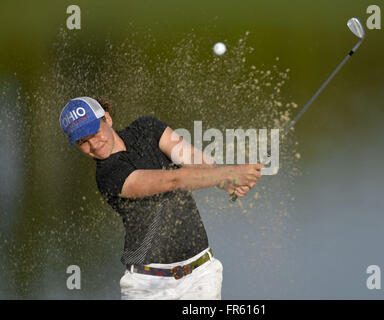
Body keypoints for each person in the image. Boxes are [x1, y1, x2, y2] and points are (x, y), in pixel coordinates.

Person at [59, 96, 263, 300]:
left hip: (202, 275)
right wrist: (227, 175)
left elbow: (193, 160)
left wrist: (225, 181)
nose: (93, 145)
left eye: (95, 132)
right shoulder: (108, 175)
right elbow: (171, 181)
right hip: (148, 286)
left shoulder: (147, 127)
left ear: (108, 119)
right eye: (82, 142)